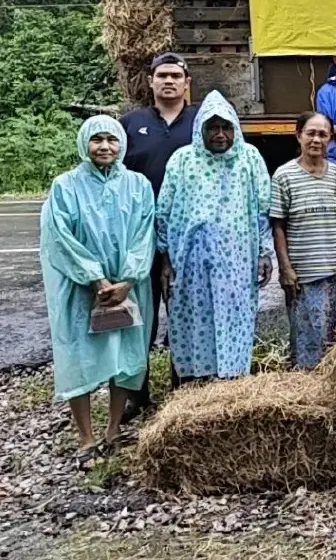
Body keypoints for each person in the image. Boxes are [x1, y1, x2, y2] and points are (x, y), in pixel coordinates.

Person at [40, 116, 155, 454]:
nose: (104, 146)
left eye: (111, 139)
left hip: (127, 286)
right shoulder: (65, 186)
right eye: (97, 140)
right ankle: (86, 435)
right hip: (80, 289)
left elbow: (145, 233)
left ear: (121, 143)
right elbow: (59, 238)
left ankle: (114, 428)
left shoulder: (138, 185)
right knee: (78, 354)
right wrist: (95, 278)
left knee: (124, 353)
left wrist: (127, 279)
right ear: (84, 144)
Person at [157, 91, 275, 382]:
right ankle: (196, 382)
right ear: (201, 130)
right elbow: (164, 212)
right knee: (193, 317)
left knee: (234, 317)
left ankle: (231, 381)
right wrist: (165, 259)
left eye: (226, 127)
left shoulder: (249, 158)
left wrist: (264, 253)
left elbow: (263, 209)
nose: (220, 135)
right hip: (191, 261)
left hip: (237, 259)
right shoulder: (183, 159)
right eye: (213, 127)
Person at [118, 52, 199, 420]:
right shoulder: (131, 123)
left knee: (185, 313)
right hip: (140, 236)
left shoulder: (201, 122)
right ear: (150, 81)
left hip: (187, 237)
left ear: (186, 83)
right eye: (162, 75)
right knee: (142, 317)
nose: (169, 81)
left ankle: (185, 385)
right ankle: (138, 392)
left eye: (175, 75)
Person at [271, 112, 336, 369]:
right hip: (301, 274)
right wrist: (286, 268)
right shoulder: (284, 175)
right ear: (298, 135)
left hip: (334, 271)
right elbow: (278, 225)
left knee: (334, 336)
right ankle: (304, 387)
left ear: (330, 139)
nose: (316, 139)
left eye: (323, 134)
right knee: (305, 338)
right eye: (310, 133)